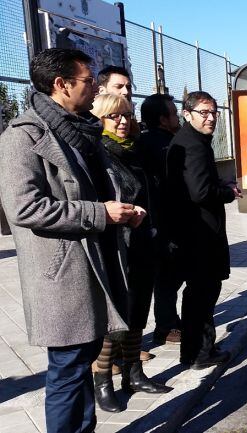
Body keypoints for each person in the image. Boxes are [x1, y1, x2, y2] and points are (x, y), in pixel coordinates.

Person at [0, 48, 137, 433]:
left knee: (84, 360)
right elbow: (25, 209)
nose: (95, 86)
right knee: (68, 370)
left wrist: (124, 210)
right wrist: (100, 214)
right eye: (88, 80)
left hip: (98, 260)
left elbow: (96, 189)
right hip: (64, 273)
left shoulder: (81, 131)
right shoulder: (22, 137)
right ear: (61, 85)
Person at [90, 94, 173, 412]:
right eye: (114, 117)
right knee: (116, 318)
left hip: (142, 241)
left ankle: (134, 374)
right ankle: (103, 381)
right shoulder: (98, 152)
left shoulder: (137, 150)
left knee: (139, 310)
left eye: (127, 115)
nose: (123, 121)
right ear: (100, 120)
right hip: (115, 246)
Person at [166, 91, 241, 370]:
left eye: (214, 113)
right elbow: (200, 192)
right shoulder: (194, 145)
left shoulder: (192, 141)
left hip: (193, 233)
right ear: (187, 114)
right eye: (204, 113)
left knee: (200, 294)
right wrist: (228, 192)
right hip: (199, 235)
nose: (210, 118)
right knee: (203, 294)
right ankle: (198, 354)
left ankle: (199, 348)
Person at [135, 93, 184, 346]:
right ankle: (165, 326)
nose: (178, 117)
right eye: (174, 113)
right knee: (168, 275)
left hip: (164, 220)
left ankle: (170, 321)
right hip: (164, 221)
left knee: (171, 275)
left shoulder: (149, 141)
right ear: (163, 119)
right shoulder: (161, 145)